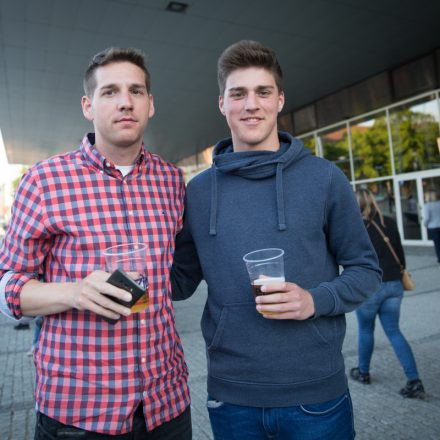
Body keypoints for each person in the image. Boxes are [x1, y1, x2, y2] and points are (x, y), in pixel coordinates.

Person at [171, 40, 381, 440]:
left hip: (316, 396)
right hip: (231, 398)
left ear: (279, 100)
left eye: (263, 92)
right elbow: (179, 281)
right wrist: (116, 269)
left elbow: (366, 270)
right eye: (238, 94)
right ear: (222, 104)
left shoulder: (324, 178)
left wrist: (314, 300)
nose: (251, 105)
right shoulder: (197, 193)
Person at [0, 47, 191, 439]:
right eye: (110, 92)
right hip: (80, 413)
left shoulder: (172, 181)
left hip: (166, 405)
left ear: (150, 104)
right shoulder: (44, 181)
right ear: (88, 106)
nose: (125, 102)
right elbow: (7, 287)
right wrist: (74, 292)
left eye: (136, 91)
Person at [350, 188, 426, 399]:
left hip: (370, 288)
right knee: (394, 331)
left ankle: (363, 372)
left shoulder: (356, 227)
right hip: (394, 285)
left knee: (366, 330)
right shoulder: (389, 222)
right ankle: (414, 380)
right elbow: (400, 254)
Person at [423, 190, 440, 263]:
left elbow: (427, 218)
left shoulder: (427, 206)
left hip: (433, 227)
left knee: (437, 244)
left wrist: (425, 224)